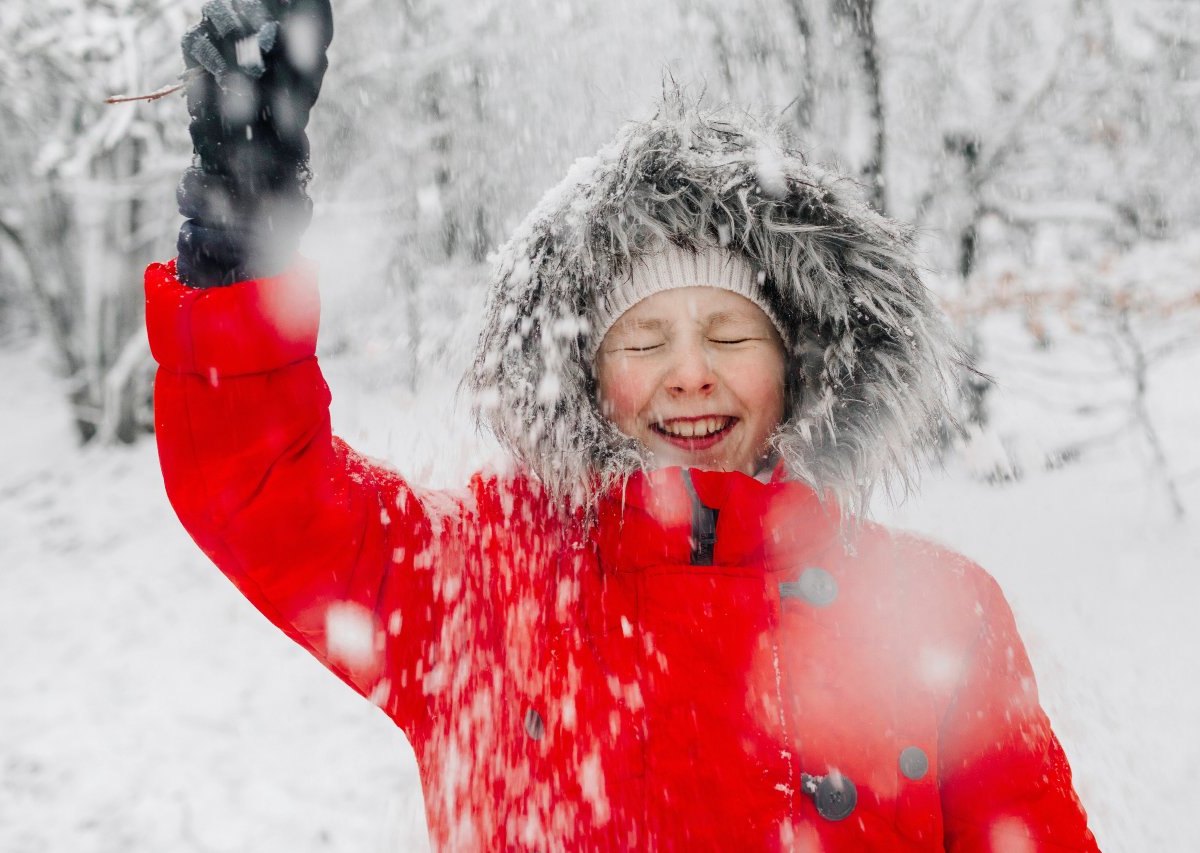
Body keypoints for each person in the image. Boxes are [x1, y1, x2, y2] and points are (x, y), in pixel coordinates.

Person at [147, 1, 1099, 849]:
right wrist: (243, 227)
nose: (691, 373)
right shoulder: (485, 583)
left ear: (801, 360)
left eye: (730, 331)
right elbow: (258, 487)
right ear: (586, 374)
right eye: (643, 340)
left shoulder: (934, 611)